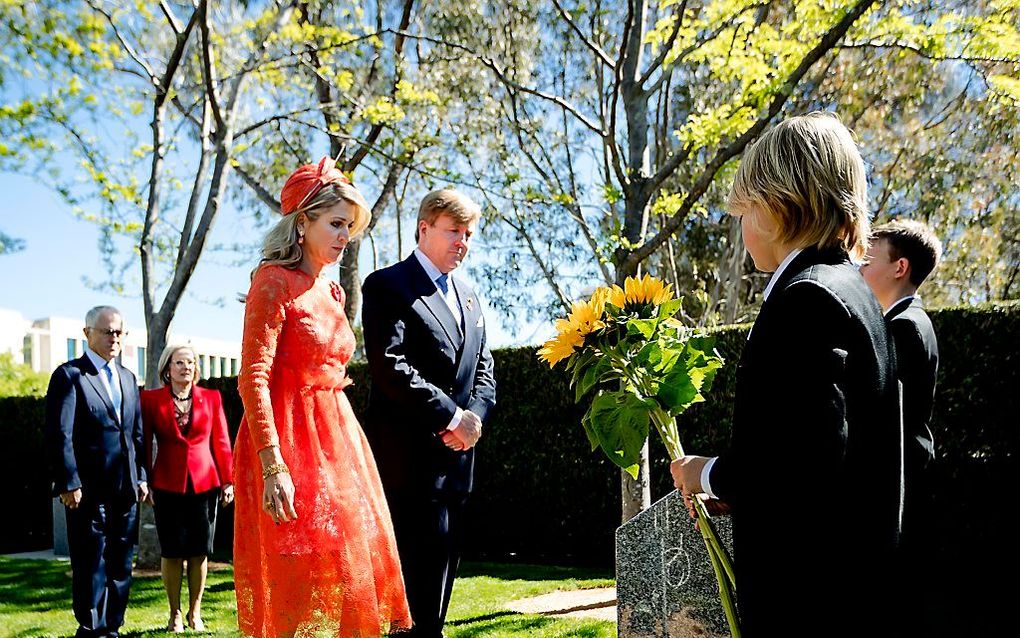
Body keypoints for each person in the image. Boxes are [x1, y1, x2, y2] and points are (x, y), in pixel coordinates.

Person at [669, 112, 904, 637]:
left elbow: (799, 461)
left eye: (745, 210)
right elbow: (823, 452)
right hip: (849, 587)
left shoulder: (808, 299)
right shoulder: (851, 290)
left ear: (777, 206)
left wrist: (705, 472)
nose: (742, 226)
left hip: (808, 596)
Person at [233, 157, 411, 638]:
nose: (344, 236)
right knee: (297, 573)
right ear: (302, 220)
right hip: (287, 441)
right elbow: (252, 377)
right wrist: (274, 466)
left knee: (353, 561)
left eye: (349, 227)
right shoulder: (272, 280)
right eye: (335, 223)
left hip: (336, 435)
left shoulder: (330, 287)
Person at [362, 189, 497, 638]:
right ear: (424, 228)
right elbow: (389, 365)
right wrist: (451, 417)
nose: (463, 242)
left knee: (437, 603)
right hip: (408, 468)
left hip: (458, 465)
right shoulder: (387, 285)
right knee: (409, 606)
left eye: (469, 234)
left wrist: (471, 419)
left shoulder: (471, 295)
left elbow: (484, 369)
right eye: (453, 231)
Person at [44, 305, 148, 638]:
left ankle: (112, 627)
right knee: (91, 564)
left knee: (120, 565)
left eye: (119, 332)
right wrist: (68, 480)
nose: (114, 337)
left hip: (126, 490)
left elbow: (136, 434)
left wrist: (142, 476)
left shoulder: (129, 379)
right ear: (87, 333)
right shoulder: (70, 375)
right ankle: (90, 629)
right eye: (106, 331)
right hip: (86, 492)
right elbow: (59, 433)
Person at [860, 218, 942, 634]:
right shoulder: (909, 322)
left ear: (899, 267)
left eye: (868, 258)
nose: (859, 266)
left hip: (898, 496)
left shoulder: (904, 328)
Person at [141, 344, 234, 633]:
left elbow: (221, 441)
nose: (187, 367)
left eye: (191, 362)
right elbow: (143, 444)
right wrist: (144, 481)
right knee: (171, 553)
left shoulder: (211, 398)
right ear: (167, 369)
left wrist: (228, 480)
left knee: (198, 552)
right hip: (167, 485)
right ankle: (174, 614)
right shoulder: (150, 400)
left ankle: (195, 613)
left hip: (205, 485)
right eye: (180, 362)